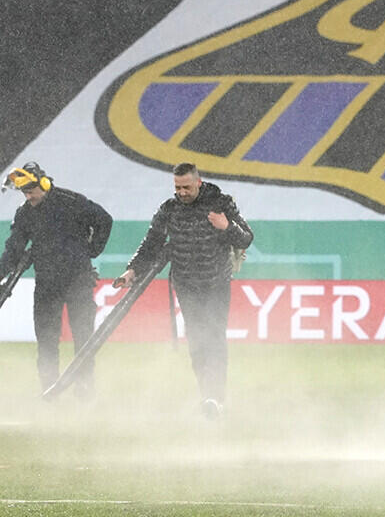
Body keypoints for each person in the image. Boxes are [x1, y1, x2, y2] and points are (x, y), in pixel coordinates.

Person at [115, 163, 253, 419]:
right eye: (177, 187)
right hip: (186, 285)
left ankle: (216, 399)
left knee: (214, 339)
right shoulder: (169, 209)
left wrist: (226, 226)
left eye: (187, 187)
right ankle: (207, 397)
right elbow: (151, 243)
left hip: (216, 284)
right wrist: (132, 270)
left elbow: (246, 238)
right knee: (197, 342)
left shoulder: (220, 203)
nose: (182, 192)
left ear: (198, 183)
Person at [0, 162, 113, 397]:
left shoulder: (71, 202)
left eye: (31, 190)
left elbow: (104, 220)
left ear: (44, 183)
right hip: (47, 284)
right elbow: (13, 251)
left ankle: (84, 392)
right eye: (24, 192)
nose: (28, 196)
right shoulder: (24, 213)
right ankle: (49, 393)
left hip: (79, 281)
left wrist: (92, 250)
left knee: (83, 339)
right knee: (46, 342)